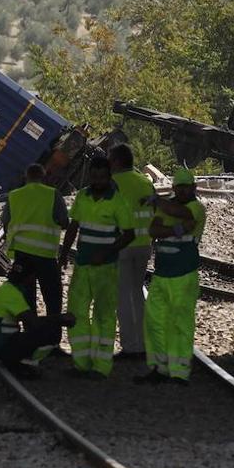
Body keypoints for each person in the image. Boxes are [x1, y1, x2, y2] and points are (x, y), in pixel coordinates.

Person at [58, 155, 135, 378]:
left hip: (106, 269)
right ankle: (81, 363)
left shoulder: (118, 201)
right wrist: (63, 254)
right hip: (82, 265)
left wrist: (108, 252)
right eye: (94, 177)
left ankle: (101, 367)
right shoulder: (83, 195)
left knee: (104, 316)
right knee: (76, 313)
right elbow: (74, 226)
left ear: (109, 176)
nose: (98, 181)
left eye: (102, 177)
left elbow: (129, 234)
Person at [135, 168, 206, 386]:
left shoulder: (197, 207)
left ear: (193, 188)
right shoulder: (169, 207)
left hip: (184, 275)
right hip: (162, 274)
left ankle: (179, 371)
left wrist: (160, 203)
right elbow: (154, 230)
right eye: (179, 188)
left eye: (187, 187)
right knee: (155, 321)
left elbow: (186, 218)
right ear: (174, 188)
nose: (183, 191)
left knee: (180, 323)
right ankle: (160, 367)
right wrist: (176, 229)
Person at [0, 259, 76, 379]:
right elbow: (33, 322)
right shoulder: (12, 294)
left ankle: (18, 361)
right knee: (48, 333)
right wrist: (60, 319)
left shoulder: (7, 289)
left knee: (40, 329)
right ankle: (25, 364)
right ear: (29, 277)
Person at [0, 163, 69, 328]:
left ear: (26, 177)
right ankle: (53, 338)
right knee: (53, 297)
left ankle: (31, 335)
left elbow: (6, 224)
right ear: (43, 177)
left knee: (27, 298)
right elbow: (64, 222)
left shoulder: (14, 195)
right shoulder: (53, 194)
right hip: (46, 255)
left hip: (22, 255)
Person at [109, 144, 156, 361]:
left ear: (117, 162)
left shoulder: (113, 183)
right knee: (137, 293)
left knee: (123, 297)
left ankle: (131, 346)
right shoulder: (145, 182)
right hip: (144, 243)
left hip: (122, 245)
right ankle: (144, 343)